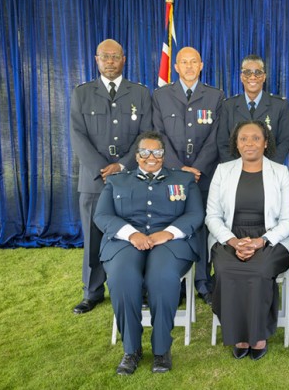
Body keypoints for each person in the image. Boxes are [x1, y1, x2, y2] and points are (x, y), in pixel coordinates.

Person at [94, 131, 204, 375]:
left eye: (157, 152)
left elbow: (196, 214)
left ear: (164, 155)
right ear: (136, 155)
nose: (150, 157)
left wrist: (168, 233)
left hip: (170, 242)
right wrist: (131, 234)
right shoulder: (116, 181)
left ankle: (162, 349)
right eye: (144, 152)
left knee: (162, 277)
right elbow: (102, 215)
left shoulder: (184, 180)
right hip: (125, 241)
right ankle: (131, 349)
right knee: (122, 277)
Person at [69, 38, 151, 314]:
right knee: (93, 237)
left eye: (115, 57)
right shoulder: (82, 93)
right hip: (94, 180)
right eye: (105, 57)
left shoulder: (140, 93)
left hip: (130, 178)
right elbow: (77, 135)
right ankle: (92, 292)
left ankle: (139, 288)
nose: (110, 62)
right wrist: (102, 169)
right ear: (96, 60)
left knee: (136, 234)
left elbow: (146, 134)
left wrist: (123, 165)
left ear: (124, 60)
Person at [206, 120, 289, 361]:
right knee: (226, 268)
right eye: (243, 138)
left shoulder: (280, 172)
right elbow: (212, 216)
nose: (249, 143)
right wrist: (233, 241)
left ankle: (258, 336)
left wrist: (261, 241)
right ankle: (239, 335)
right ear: (236, 143)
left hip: (272, 238)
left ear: (266, 143)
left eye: (256, 138)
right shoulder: (223, 171)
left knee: (260, 268)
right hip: (229, 236)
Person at [152, 46, 225, 305]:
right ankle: (177, 281)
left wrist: (198, 167)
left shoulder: (215, 96)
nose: (190, 66)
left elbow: (217, 136)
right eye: (184, 62)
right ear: (176, 67)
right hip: (171, 175)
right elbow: (158, 134)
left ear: (202, 65)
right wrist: (178, 168)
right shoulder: (161, 96)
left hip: (204, 176)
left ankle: (203, 282)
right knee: (173, 226)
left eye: (194, 61)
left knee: (204, 227)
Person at [217, 55, 289, 164]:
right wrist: (237, 168)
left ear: (264, 77)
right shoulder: (228, 105)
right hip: (236, 169)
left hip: (269, 169)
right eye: (247, 72)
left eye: (258, 72)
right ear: (241, 77)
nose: (252, 77)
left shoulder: (280, 105)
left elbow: (284, 142)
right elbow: (223, 143)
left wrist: (268, 168)